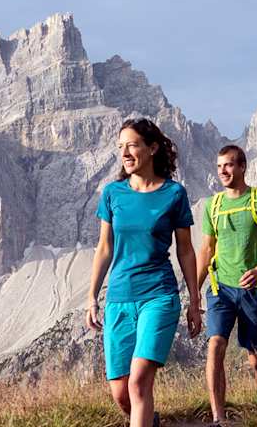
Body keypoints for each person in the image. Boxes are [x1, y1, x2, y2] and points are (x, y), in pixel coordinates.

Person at [87, 118, 204, 427]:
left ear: (152, 148)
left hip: (159, 295)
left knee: (139, 382)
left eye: (132, 145)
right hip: (119, 298)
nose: (125, 153)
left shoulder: (174, 194)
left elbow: (186, 250)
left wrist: (194, 301)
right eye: (121, 147)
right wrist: (92, 297)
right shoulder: (112, 194)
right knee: (121, 393)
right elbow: (104, 248)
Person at [197, 145, 257, 426]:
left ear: (242, 167)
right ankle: (218, 418)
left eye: (228, 165)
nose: (222, 171)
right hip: (220, 288)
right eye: (219, 166)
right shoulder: (213, 205)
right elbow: (207, 250)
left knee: (255, 358)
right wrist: (193, 292)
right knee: (215, 345)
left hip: (254, 290)